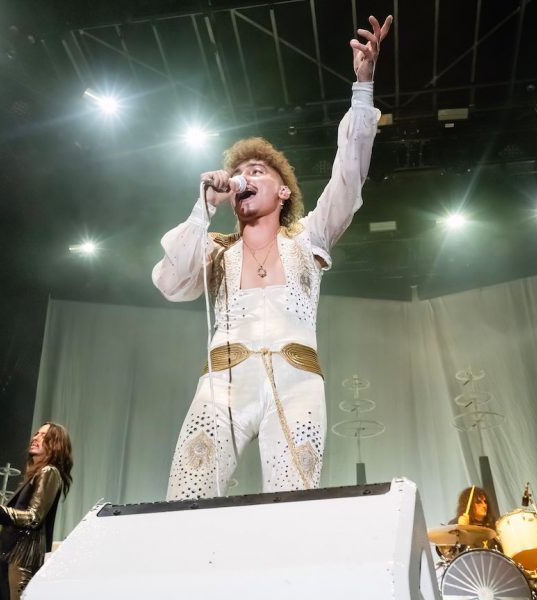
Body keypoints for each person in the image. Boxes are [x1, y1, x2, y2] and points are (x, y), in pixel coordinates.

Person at [153, 15, 393, 501]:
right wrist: (203, 205)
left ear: (283, 191)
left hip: (297, 381)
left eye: (256, 170)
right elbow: (169, 282)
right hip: (222, 382)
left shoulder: (307, 239)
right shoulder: (216, 252)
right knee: (188, 491)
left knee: (294, 499)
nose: (243, 176)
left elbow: (349, 178)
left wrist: (362, 88)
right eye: (237, 171)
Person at [0, 422, 73, 600]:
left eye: (44, 436)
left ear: (55, 445)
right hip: (9, 555)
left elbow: (34, 517)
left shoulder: (49, 471)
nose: (35, 438)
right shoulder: (36, 475)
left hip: (20, 559)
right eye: (36, 434)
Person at [437, 486, 499, 560]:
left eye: (485, 502)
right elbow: (447, 553)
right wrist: (461, 529)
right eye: (478, 502)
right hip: (469, 567)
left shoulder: (492, 526)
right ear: (468, 505)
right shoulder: (456, 523)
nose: (484, 505)